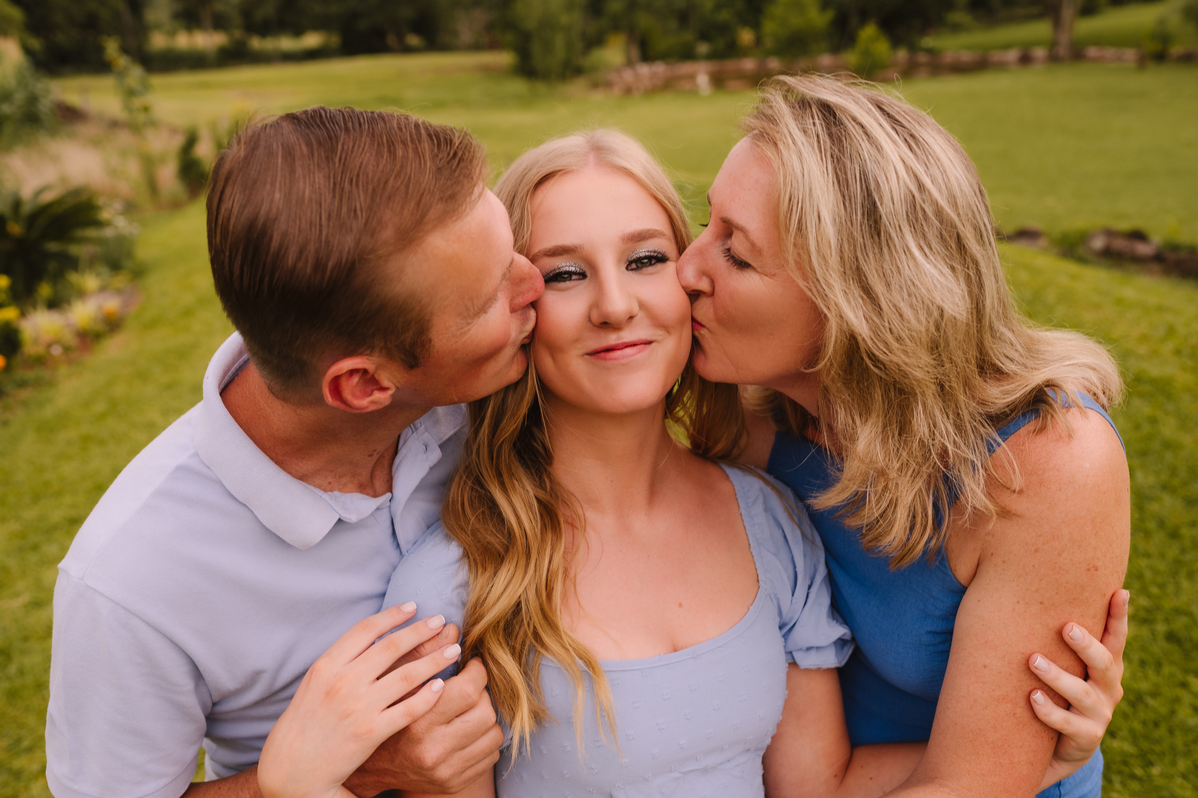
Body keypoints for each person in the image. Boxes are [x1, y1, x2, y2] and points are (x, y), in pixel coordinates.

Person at [345, 130, 1124, 798]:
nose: (629, 299)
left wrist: (1032, 752)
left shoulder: (769, 517)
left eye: (650, 256)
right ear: (517, 304)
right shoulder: (451, 587)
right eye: (564, 273)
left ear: (848, 299)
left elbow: (823, 784)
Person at [45, 107, 542, 798]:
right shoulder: (130, 583)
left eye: (511, 247)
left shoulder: (481, 401)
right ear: (366, 384)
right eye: (491, 296)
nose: (535, 285)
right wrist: (358, 774)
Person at [677, 75, 1129, 798]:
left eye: (736, 254)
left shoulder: (1046, 462)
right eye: (707, 226)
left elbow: (970, 787)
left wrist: (1024, 758)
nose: (686, 269)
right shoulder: (750, 415)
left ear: (860, 302)